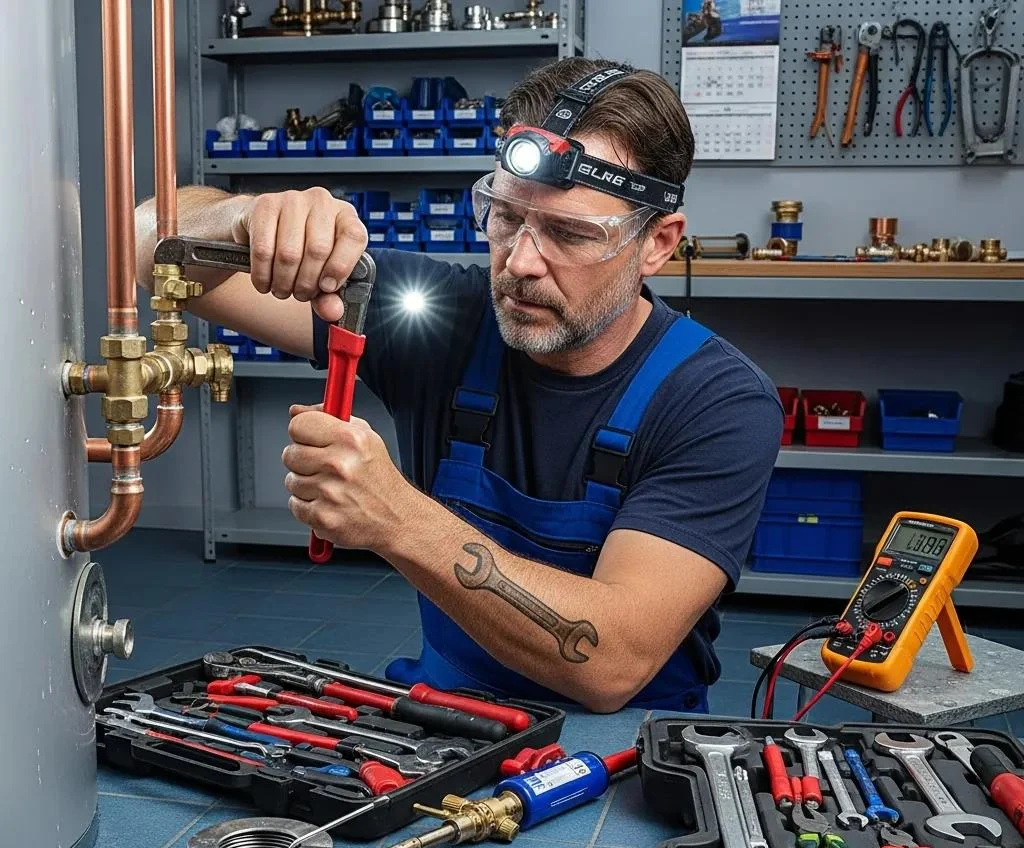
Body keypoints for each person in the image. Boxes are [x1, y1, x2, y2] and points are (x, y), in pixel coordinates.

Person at [135, 57, 783, 714]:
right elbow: (142, 245)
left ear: (657, 243)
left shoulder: (719, 402)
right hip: (443, 724)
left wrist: (396, 519)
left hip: (630, 761)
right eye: (505, 217)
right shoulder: (439, 321)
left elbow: (610, 660)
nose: (521, 263)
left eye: (569, 233)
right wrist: (242, 217)